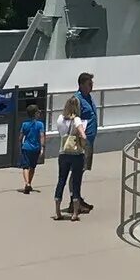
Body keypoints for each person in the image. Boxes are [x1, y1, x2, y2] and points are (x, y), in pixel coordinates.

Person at [50, 96, 88, 221]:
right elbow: (83, 135)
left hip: (63, 152)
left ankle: (57, 211)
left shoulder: (60, 119)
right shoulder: (77, 119)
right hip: (76, 154)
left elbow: (61, 133)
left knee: (61, 180)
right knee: (76, 182)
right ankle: (75, 213)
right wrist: (82, 141)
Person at [70, 72, 100, 215]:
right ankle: (73, 200)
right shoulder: (77, 99)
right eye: (89, 84)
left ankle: (78, 198)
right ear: (81, 84)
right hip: (81, 141)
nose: (91, 86)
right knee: (77, 170)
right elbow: (73, 119)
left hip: (89, 140)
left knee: (82, 170)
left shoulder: (88, 97)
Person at [17, 101, 46, 194]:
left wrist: (20, 146)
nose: (39, 114)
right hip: (36, 148)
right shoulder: (40, 124)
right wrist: (42, 148)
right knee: (32, 167)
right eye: (38, 112)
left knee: (25, 167)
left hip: (26, 147)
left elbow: (20, 137)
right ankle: (29, 182)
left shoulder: (25, 124)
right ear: (35, 114)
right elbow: (42, 136)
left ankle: (27, 183)